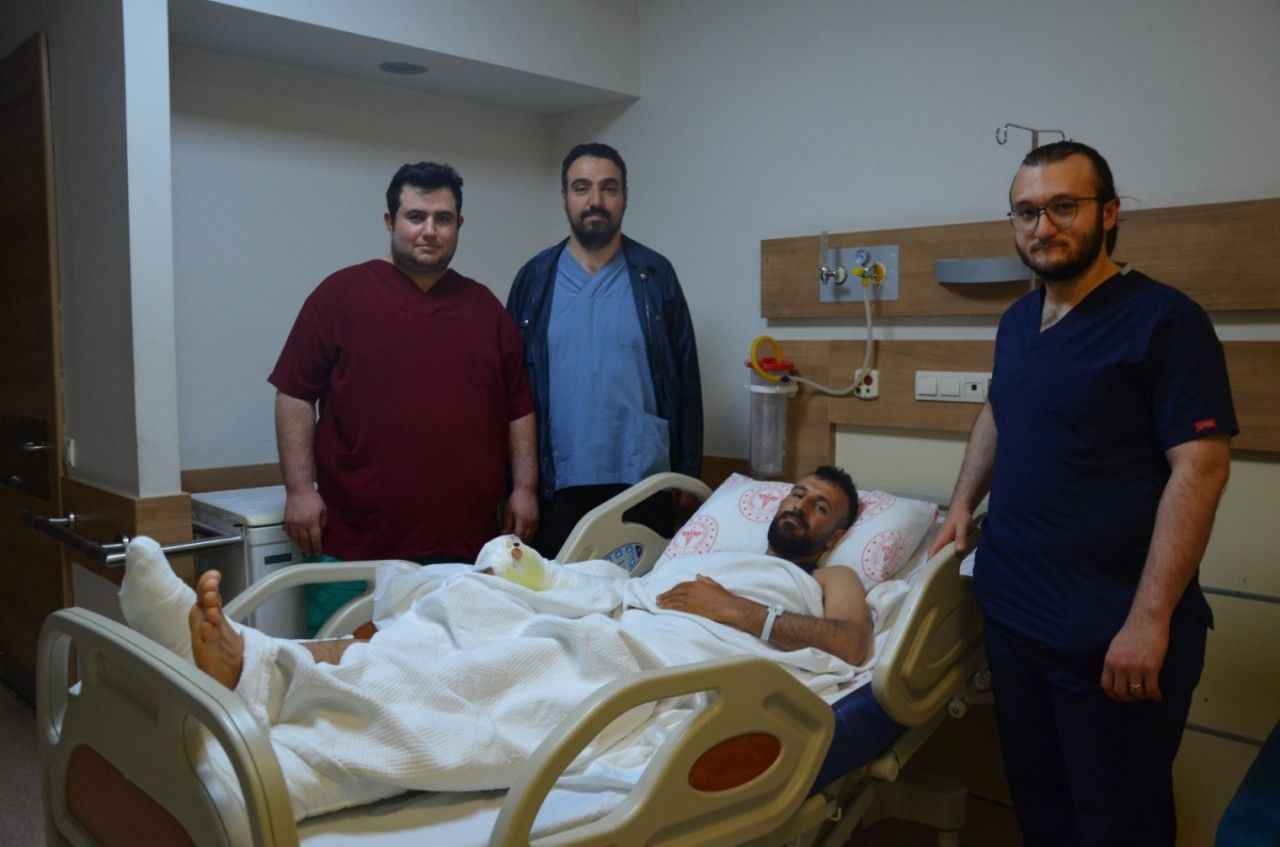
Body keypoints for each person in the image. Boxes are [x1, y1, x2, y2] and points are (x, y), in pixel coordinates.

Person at [117, 467, 870, 818]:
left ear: (837, 534)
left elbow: (851, 644)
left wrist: (741, 611)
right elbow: (629, 583)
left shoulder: (831, 578)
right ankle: (256, 665)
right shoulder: (703, 548)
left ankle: (282, 761)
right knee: (469, 608)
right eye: (797, 493)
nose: (800, 506)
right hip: (622, 612)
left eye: (820, 507)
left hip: (671, 655)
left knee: (522, 674)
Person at [931, 140, 1236, 846]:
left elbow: (1201, 470)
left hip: (1112, 634)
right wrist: (961, 503)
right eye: (1027, 211)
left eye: (1064, 206)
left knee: (1118, 825)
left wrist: (1149, 621)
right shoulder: (1017, 321)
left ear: (1110, 213)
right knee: (1042, 812)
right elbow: (999, 411)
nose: (1044, 227)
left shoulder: (1165, 321)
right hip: (1016, 619)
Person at [268, 162, 538, 633]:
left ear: (458, 225)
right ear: (390, 221)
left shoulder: (485, 310)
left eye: (443, 218)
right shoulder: (339, 297)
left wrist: (525, 489)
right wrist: (299, 490)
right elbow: (294, 394)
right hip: (354, 544)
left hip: (464, 547)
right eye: (416, 216)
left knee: (451, 666)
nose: (429, 230)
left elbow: (520, 409)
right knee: (341, 663)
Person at [506, 142, 702, 558]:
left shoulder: (655, 275)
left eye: (609, 188)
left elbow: (685, 378)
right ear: (565, 197)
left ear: (625, 197)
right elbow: (511, 389)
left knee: (639, 592)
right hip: (556, 483)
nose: (595, 200)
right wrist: (517, 485)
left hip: (642, 479)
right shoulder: (535, 279)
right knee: (558, 591)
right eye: (581, 188)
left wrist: (688, 473)